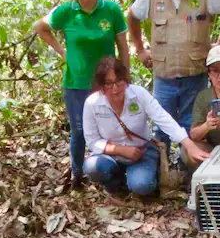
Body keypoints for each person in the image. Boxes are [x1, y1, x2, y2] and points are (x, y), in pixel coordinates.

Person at [128, 0, 220, 148]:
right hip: (164, 76)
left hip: (195, 75)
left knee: (192, 125)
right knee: (161, 128)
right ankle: (162, 172)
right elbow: (132, 17)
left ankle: (189, 171)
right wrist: (140, 50)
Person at [33, 0, 129, 190]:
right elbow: (40, 27)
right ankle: (77, 175)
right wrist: (62, 52)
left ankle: (113, 174)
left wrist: (125, 78)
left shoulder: (111, 10)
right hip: (76, 83)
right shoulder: (66, 12)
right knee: (78, 131)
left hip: (107, 83)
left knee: (111, 128)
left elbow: (123, 48)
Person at [82, 57, 210, 196]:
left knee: (142, 185)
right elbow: (92, 141)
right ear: (101, 86)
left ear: (125, 80)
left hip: (141, 152)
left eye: (119, 81)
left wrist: (188, 144)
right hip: (110, 155)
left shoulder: (138, 94)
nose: (115, 88)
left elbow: (162, 118)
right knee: (93, 167)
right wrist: (121, 150)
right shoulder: (92, 103)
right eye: (109, 83)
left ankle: (140, 176)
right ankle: (115, 182)